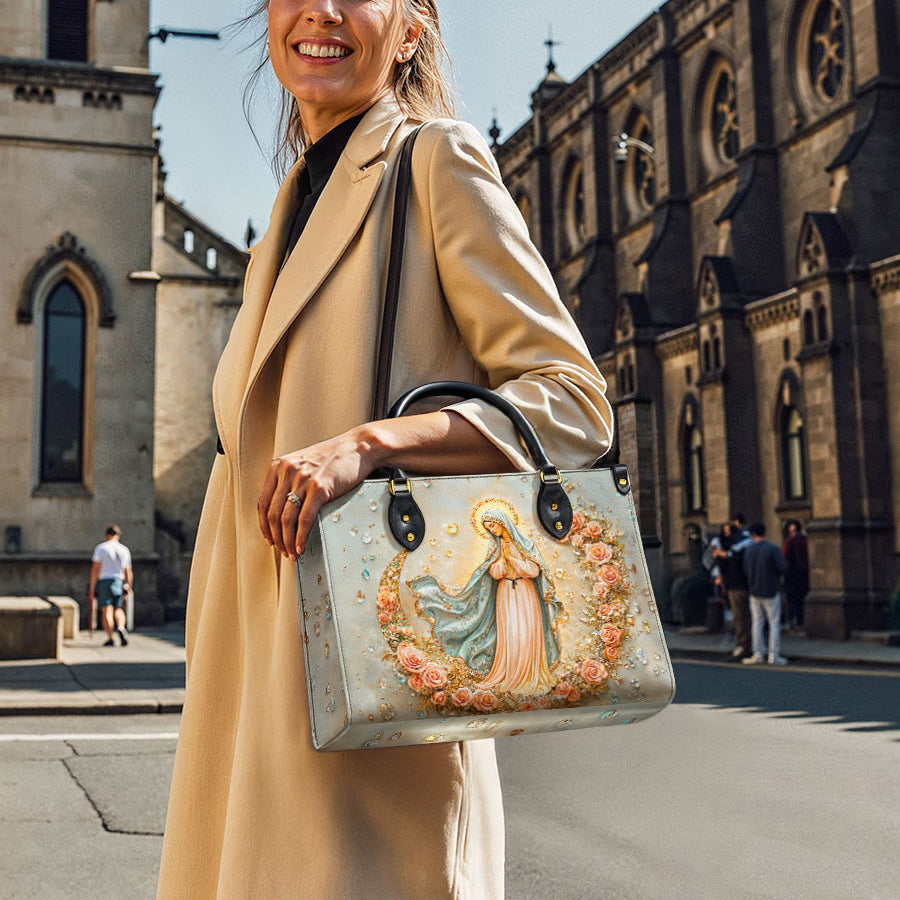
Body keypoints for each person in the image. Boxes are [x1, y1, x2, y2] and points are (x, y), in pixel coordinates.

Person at [156, 3, 613, 898]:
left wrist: (372, 443)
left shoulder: (435, 159)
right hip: (249, 709)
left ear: (408, 30)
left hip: (374, 721)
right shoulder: (282, 222)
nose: (321, 11)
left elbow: (571, 402)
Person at [410, 509, 562, 695]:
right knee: (510, 634)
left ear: (503, 522)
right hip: (505, 592)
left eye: (493, 525)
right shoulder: (496, 547)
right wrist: (501, 565)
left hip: (525, 592)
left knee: (526, 632)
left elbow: (535, 571)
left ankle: (528, 675)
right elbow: (493, 573)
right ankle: (509, 675)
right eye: (489, 528)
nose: (492, 530)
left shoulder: (524, 544)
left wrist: (513, 560)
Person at [741, 522, 789, 666]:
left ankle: (758, 654)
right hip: (771, 590)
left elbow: (745, 569)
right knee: (774, 623)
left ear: (752, 534)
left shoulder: (748, 550)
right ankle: (773, 655)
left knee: (757, 622)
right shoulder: (772, 548)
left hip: (754, 590)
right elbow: (783, 567)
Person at [713, 513, 753, 659]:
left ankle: (744, 645)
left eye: (729, 528)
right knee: (741, 616)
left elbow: (733, 556)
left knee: (740, 617)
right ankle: (744, 644)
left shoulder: (741, 543)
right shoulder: (732, 543)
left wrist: (723, 555)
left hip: (738, 584)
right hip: (734, 583)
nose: (727, 532)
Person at [89, 525, 132, 647]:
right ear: (118, 535)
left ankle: (110, 637)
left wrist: (92, 587)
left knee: (107, 609)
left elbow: (95, 569)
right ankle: (121, 627)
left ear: (107, 535)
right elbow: (128, 571)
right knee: (118, 608)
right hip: (119, 581)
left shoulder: (101, 548)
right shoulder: (124, 550)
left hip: (104, 580)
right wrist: (128, 585)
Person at [782, 519, 809, 631]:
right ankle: (800, 621)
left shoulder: (790, 541)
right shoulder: (804, 539)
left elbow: (784, 556)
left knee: (791, 599)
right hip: (802, 572)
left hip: (792, 573)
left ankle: (793, 622)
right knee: (800, 598)